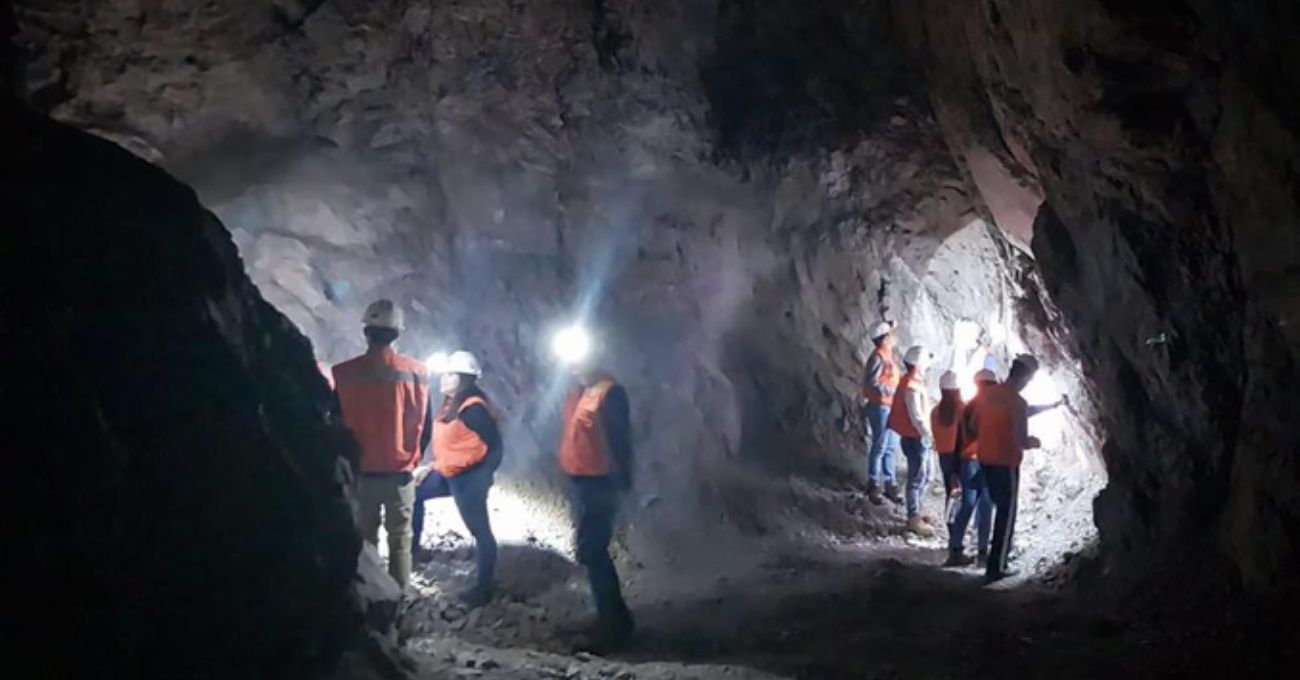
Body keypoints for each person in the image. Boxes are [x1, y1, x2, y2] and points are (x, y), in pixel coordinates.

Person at [332, 300, 432, 590]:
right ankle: (400, 597)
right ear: (398, 333)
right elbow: (425, 426)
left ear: (367, 332)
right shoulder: (418, 373)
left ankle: (373, 602)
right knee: (401, 541)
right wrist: (412, 457)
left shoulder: (345, 373)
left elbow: (336, 422)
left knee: (366, 541)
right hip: (400, 473)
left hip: (362, 472)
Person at [554, 327, 635, 651]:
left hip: (601, 483)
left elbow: (620, 439)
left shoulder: (609, 392)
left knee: (593, 551)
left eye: (579, 360)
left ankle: (614, 628)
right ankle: (615, 618)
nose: (573, 366)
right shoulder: (579, 391)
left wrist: (622, 479)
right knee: (589, 550)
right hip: (581, 481)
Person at [411, 350, 501, 608]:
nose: (444, 378)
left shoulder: (473, 408)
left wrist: (484, 475)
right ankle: (411, 551)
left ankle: (483, 590)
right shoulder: (451, 404)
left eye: (449, 374)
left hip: (468, 478)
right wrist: (431, 466)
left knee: (480, 531)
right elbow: (453, 445)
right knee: (413, 493)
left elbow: (495, 445)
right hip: (448, 471)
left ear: (464, 378)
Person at [963, 354, 1042, 583]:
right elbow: (1021, 440)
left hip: (985, 458)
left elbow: (973, 424)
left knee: (994, 507)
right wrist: (1034, 442)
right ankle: (996, 566)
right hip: (1006, 462)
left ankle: (991, 560)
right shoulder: (1018, 402)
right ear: (1027, 376)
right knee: (1006, 514)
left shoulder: (988, 394)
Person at [943, 369, 996, 567]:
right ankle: (982, 552)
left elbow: (958, 440)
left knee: (967, 505)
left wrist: (955, 469)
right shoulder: (990, 406)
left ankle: (955, 549)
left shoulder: (967, 407)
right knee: (986, 506)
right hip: (985, 460)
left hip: (967, 462)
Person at [887, 344, 936, 536]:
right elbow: (916, 415)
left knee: (928, 475)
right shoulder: (910, 386)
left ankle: (918, 510)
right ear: (918, 364)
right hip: (915, 438)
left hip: (920, 437)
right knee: (916, 478)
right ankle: (913, 517)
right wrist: (927, 434)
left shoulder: (915, 382)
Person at [861, 320, 902, 505]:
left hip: (890, 407)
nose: (894, 337)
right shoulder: (878, 358)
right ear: (885, 338)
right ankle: (873, 483)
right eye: (890, 334)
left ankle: (889, 482)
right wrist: (894, 392)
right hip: (880, 407)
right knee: (880, 446)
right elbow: (872, 383)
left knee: (891, 446)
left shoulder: (886, 355)